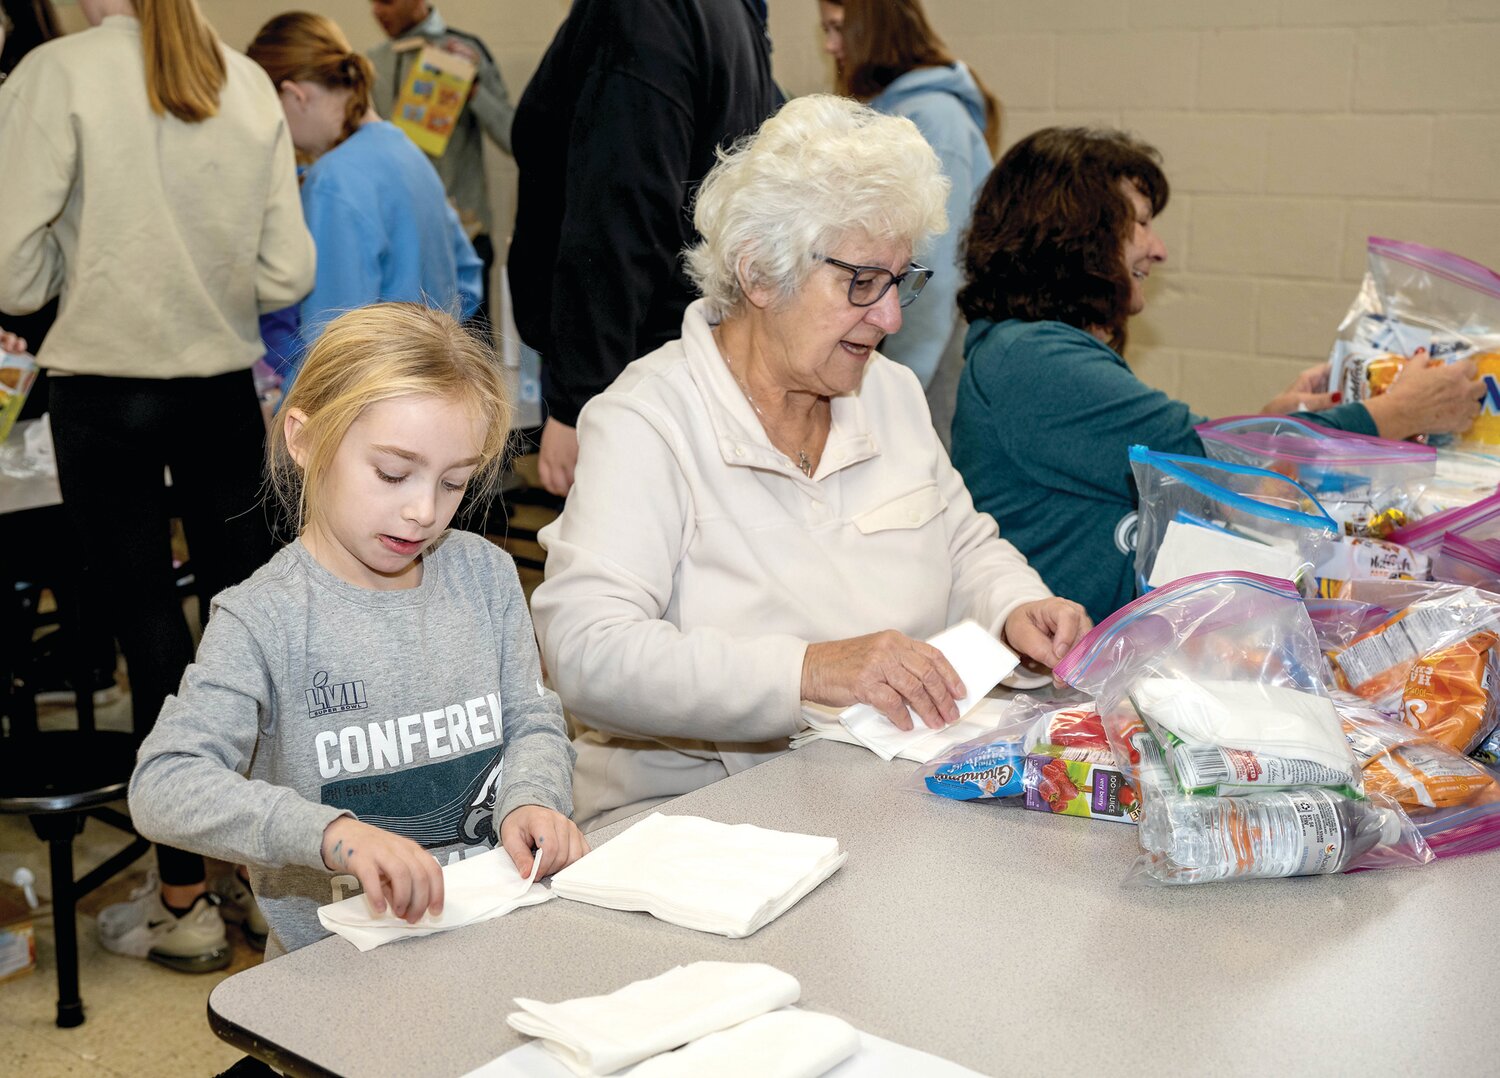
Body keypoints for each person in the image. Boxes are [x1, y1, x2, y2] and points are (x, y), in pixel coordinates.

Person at [531, 96, 1090, 829]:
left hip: (881, 790)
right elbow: (588, 652)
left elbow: (962, 546)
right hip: (692, 818)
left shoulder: (887, 394)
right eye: (861, 283)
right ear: (761, 274)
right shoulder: (648, 422)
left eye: (899, 283)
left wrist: (1016, 605)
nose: (890, 318)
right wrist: (811, 670)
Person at [0, 0, 316, 970]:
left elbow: (12, 272)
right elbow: (286, 271)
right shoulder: (244, 77)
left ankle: (179, 895)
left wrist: (79, 267)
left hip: (104, 389)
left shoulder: (54, 75)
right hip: (219, 392)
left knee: (150, 640)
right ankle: (265, 880)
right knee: (250, 633)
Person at [129, 303, 587, 958]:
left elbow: (532, 721)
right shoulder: (261, 618)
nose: (423, 510)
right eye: (393, 473)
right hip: (334, 973)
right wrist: (333, 836)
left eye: (454, 482)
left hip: (489, 938)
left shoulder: (484, 575)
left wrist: (531, 802)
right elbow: (163, 786)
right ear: (305, 439)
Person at [951, 127, 1485, 625]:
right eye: (1139, 222)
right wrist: (1397, 414)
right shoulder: (1034, 357)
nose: (1158, 248)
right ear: (1077, 231)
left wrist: (1284, 422)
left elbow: (1193, 451)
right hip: (1071, 669)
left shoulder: (1026, 352)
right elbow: (1209, 470)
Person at [508, 0, 781, 496]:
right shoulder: (728, 14)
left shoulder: (647, 11)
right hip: (695, 359)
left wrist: (580, 403)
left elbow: (621, 210)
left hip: (640, 372)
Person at [247, 11, 481, 373]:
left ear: (294, 95)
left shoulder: (333, 181)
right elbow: (466, 279)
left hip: (369, 395)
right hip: (427, 379)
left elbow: (330, 350)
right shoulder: (406, 151)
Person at [818, 0, 997, 444]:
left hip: (931, 353)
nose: (830, 45)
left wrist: (898, 380)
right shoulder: (890, 111)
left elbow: (935, 271)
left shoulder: (934, 118)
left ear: (876, 27)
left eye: (839, 28)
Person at [367, 0, 513, 331]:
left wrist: (472, 87)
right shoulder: (374, 62)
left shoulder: (465, 51)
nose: (377, 11)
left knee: (469, 351)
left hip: (464, 232)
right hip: (400, 236)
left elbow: (510, 136)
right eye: (372, 2)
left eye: (386, 1)